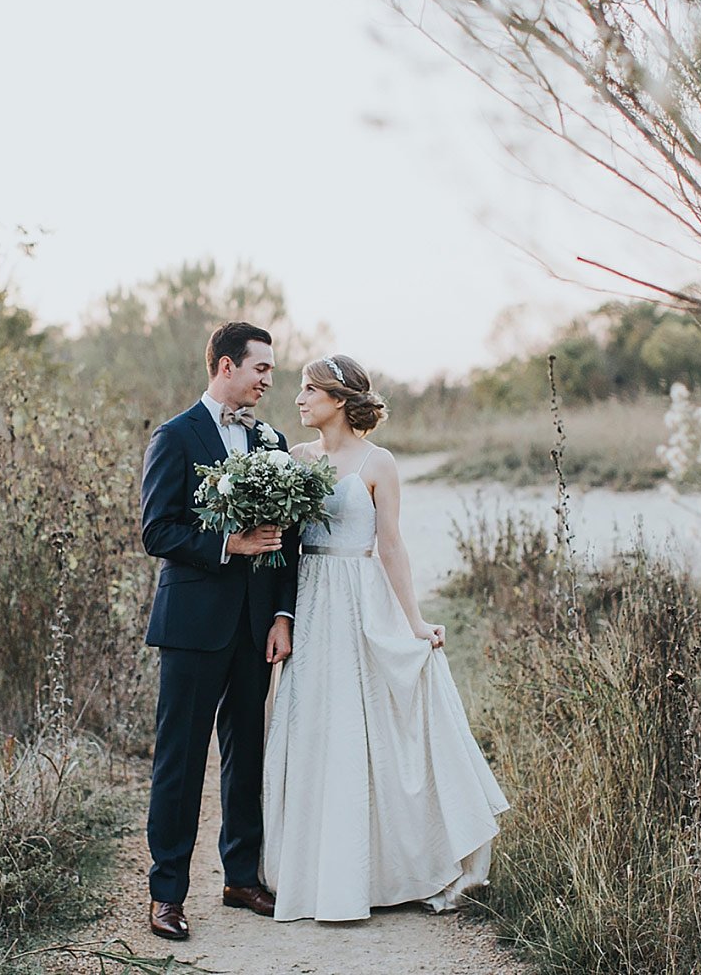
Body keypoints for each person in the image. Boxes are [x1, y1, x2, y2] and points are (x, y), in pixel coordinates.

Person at [260, 353, 509, 922]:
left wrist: (416, 622)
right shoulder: (293, 459)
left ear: (340, 401)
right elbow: (282, 547)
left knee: (368, 722)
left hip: (360, 596)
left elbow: (391, 545)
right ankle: (316, 872)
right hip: (311, 599)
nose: (298, 400)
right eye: (298, 390)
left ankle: (392, 867)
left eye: (309, 391)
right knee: (315, 722)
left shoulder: (379, 463)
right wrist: (279, 614)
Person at [139, 321, 300, 941]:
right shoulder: (176, 437)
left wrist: (282, 615)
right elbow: (158, 531)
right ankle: (167, 894)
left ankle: (241, 876)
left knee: (247, 752)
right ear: (225, 366)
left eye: (271, 372)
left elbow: (290, 541)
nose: (268, 381)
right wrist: (228, 543)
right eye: (261, 369)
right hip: (192, 624)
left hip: (255, 627)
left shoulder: (272, 440)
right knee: (180, 760)